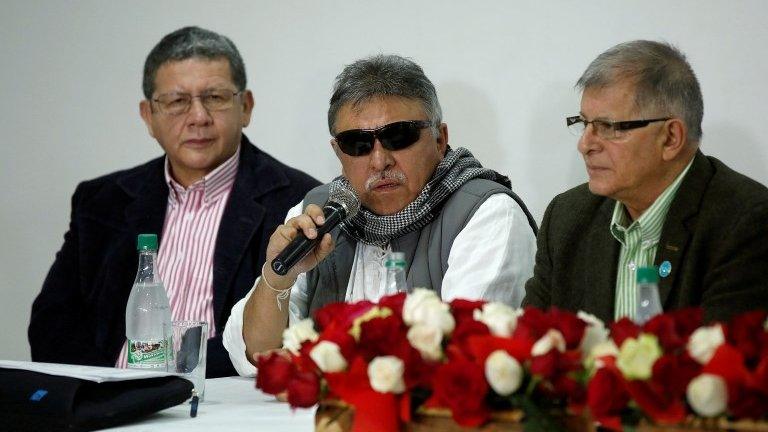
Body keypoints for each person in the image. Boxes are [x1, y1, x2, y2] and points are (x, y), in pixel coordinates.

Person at [28, 26, 320, 377]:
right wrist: (112, 391)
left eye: (215, 97)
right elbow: (52, 325)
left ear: (245, 107)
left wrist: (175, 382)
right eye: (177, 101)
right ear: (148, 116)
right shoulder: (102, 201)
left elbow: (290, 335)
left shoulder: (298, 202)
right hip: (110, 403)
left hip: (227, 406)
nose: (198, 117)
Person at [223, 54, 538, 376]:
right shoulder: (318, 213)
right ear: (338, 153)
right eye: (357, 143)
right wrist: (279, 276)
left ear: (440, 139)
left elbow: (465, 358)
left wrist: (313, 363)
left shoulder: (487, 214)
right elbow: (253, 356)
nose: (379, 160)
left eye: (398, 136)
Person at [523, 40, 768, 324]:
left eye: (608, 127)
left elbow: (725, 361)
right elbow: (532, 341)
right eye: (584, 123)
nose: (585, 144)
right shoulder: (567, 218)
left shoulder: (745, 224)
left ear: (671, 138)